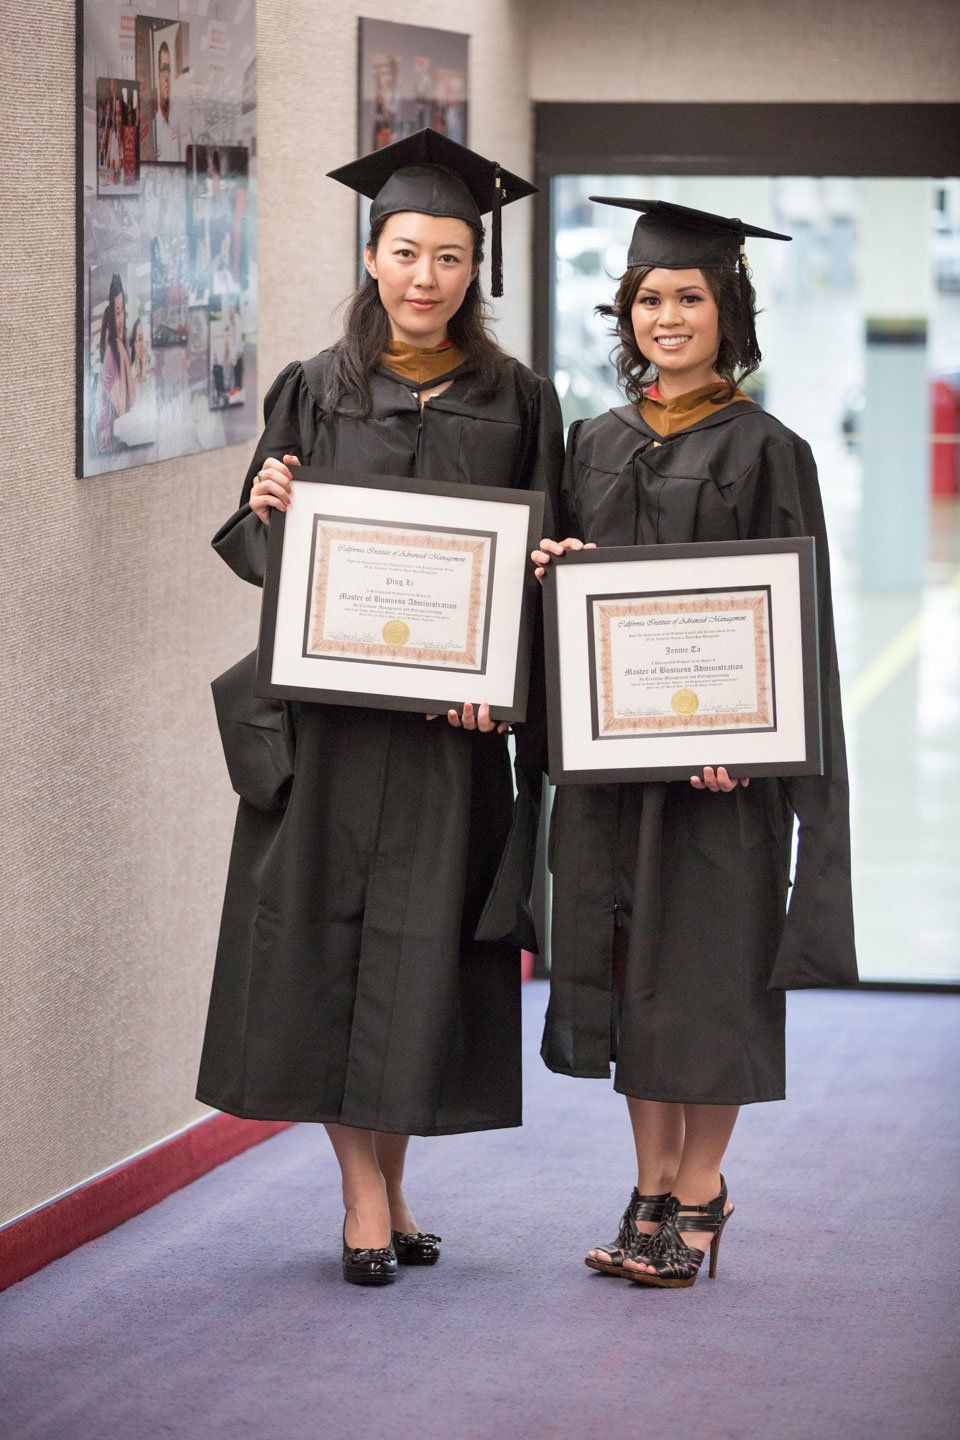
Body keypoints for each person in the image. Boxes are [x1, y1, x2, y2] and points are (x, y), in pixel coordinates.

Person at [197, 130, 562, 1286]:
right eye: (407, 251)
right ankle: (364, 1195)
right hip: (333, 733)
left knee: (417, 967)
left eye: (450, 257)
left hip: (448, 741)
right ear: (372, 255)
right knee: (325, 959)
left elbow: (536, 568)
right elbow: (265, 552)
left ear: (474, 270)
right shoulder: (315, 386)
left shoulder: (521, 400)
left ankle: (393, 1183)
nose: (425, 277)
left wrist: (499, 693)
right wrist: (268, 506)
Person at [532, 198, 857, 1289]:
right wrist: (558, 576)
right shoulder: (593, 442)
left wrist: (755, 748)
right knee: (635, 980)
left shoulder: (772, 448)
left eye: (689, 298)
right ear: (626, 316)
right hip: (620, 778)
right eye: (649, 299)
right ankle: (651, 1185)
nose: (667, 317)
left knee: (708, 981)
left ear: (728, 313)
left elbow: (794, 624)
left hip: (721, 782)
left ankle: (701, 1187)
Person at [96, 273, 136, 451]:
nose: (119, 321)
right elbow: (121, 406)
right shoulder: (113, 351)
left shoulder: (122, 348)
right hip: (111, 438)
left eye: (122, 312)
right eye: (116, 313)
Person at [154, 38, 180, 162]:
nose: (166, 75)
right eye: (163, 69)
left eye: (168, 69)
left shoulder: (177, 113)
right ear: (157, 75)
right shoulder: (152, 118)